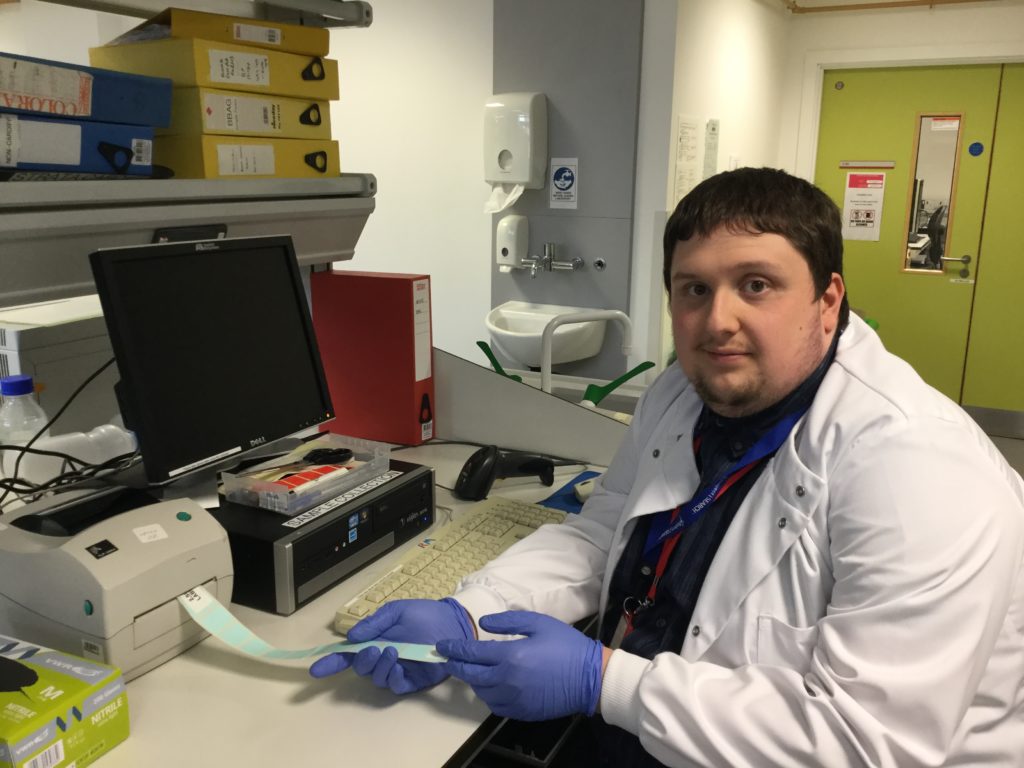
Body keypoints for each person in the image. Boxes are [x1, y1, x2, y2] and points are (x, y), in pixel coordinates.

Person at [310, 167, 1024, 767]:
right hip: (658, 723)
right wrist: (471, 609)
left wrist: (603, 683)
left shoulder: (915, 467)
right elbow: (603, 531)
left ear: (828, 299)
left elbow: (869, 743)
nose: (717, 321)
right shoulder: (682, 395)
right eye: (693, 289)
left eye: (756, 285)